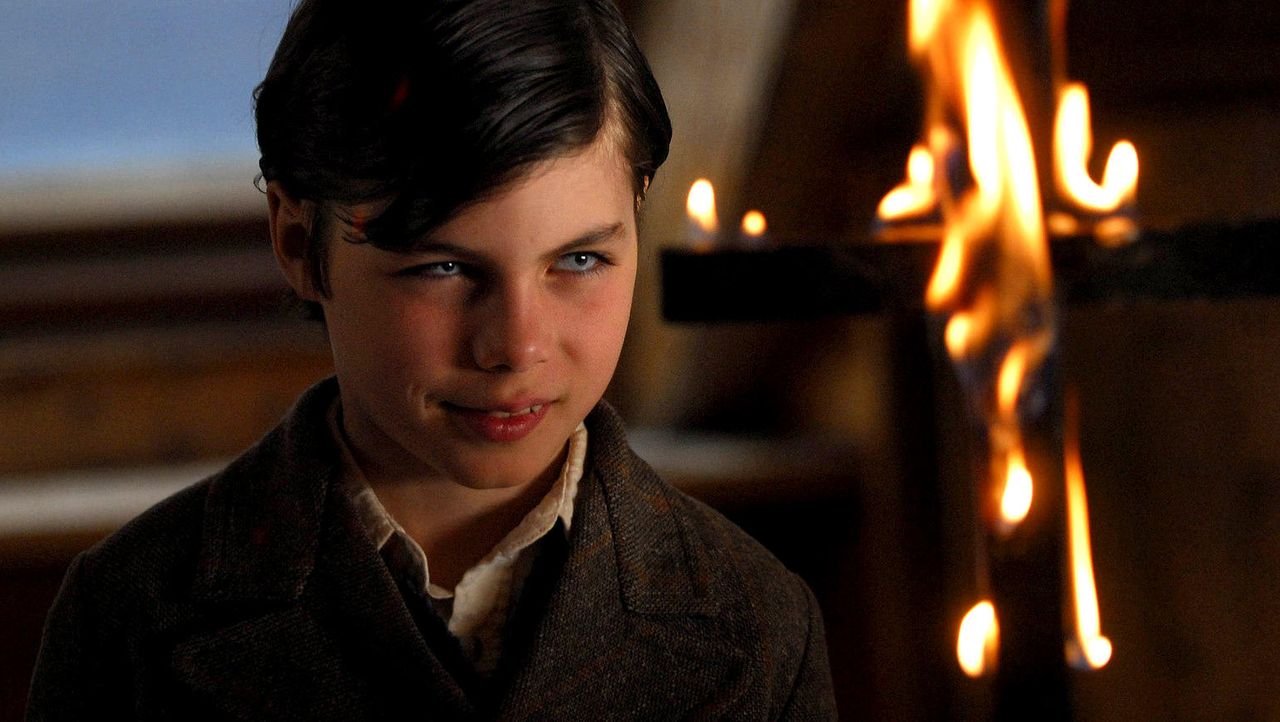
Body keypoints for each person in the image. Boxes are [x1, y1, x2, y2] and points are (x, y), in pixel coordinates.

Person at [27, 1, 836, 719]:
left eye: (580, 260)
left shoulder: (757, 624)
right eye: (444, 268)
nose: (517, 347)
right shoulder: (131, 619)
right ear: (298, 242)